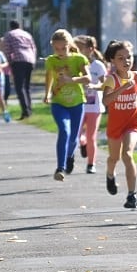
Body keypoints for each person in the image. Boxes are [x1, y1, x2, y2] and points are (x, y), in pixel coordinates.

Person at [100, 40, 137, 206]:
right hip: (115, 125)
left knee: (127, 154)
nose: (126, 61)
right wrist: (121, 89)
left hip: (132, 123)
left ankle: (131, 195)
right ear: (113, 60)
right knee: (114, 158)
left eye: (128, 57)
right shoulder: (111, 80)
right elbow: (106, 101)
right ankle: (110, 174)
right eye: (121, 58)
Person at [44, 29, 91, 181]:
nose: (60, 51)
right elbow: (49, 78)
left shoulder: (79, 59)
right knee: (64, 131)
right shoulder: (51, 60)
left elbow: (88, 78)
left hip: (77, 103)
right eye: (56, 48)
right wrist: (47, 94)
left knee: (73, 138)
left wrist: (71, 80)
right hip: (59, 103)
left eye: (63, 48)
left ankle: (70, 156)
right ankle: (60, 168)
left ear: (69, 45)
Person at [75, 35, 108, 175]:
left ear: (91, 49)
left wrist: (94, 86)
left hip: (94, 106)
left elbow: (105, 84)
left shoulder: (98, 66)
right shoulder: (77, 63)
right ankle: (83, 144)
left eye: (81, 48)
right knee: (76, 134)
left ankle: (91, 164)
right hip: (79, 104)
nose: (79, 51)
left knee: (91, 136)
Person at [2, 21, 37, 120]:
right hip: (29, 59)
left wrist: (9, 61)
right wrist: (33, 60)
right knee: (27, 87)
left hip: (18, 61)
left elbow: (8, 49)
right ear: (19, 26)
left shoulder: (9, 34)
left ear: (10, 26)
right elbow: (33, 47)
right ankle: (29, 109)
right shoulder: (27, 34)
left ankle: (25, 111)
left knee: (19, 87)